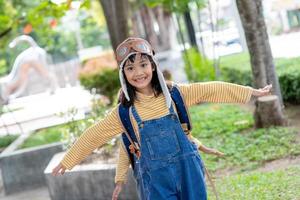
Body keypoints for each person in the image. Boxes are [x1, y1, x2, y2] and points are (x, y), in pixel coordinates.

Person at [52, 37, 272, 200]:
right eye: (130, 68)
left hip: (188, 171)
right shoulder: (124, 111)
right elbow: (95, 134)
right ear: (123, 75)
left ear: (153, 66)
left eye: (143, 64)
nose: (138, 72)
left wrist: (251, 92)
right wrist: (68, 160)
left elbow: (211, 89)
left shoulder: (176, 94)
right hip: (154, 181)